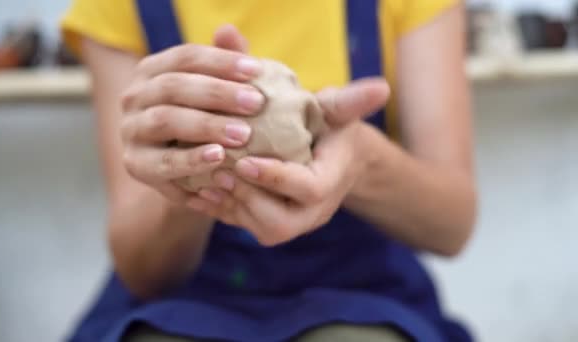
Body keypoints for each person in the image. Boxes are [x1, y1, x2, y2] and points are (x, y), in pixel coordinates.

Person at [61, 0, 476, 341]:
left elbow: (451, 226)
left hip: (363, 287)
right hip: (186, 296)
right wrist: (191, 179)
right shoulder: (117, 7)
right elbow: (143, 272)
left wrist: (364, 161)